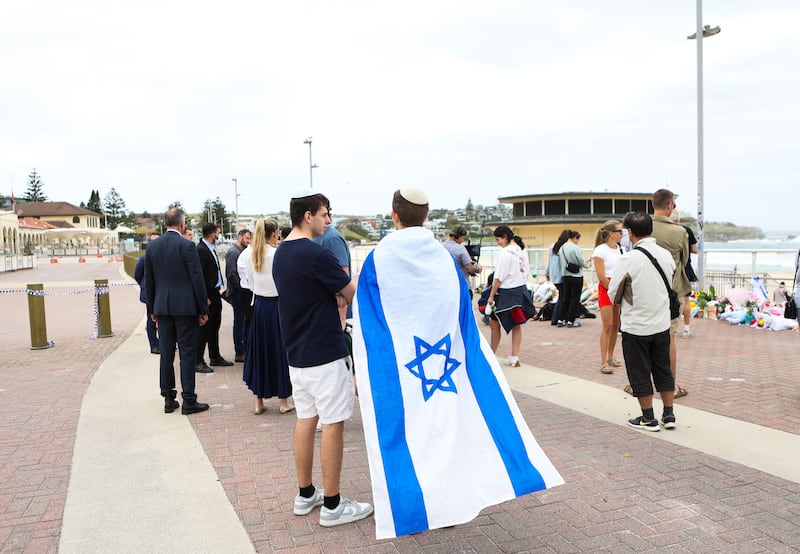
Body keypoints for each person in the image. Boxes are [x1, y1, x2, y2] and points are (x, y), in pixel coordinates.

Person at [351, 187, 563, 538]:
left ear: (395, 215)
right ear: (426, 214)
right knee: (447, 429)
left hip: (403, 369)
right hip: (445, 361)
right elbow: (460, 310)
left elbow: (368, 318)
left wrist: (366, 368)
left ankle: (414, 506)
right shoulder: (442, 258)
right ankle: (448, 504)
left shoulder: (379, 257)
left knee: (407, 434)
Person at [272, 190, 372, 528]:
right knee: (333, 423)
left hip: (297, 353)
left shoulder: (281, 252)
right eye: (325, 214)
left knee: (306, 419)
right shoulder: (316, 255)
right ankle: (332, 504)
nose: (329, 220)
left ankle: (305, 493)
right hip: (325, 353)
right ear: (308, 216)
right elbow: (350, 291)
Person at [608, 211, 676, 431]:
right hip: (662, 323)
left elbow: (612, 293)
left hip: (636, 326)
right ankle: (669, 414)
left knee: (639, 372)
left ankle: (648, 418)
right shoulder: (666, 255)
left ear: (630, 232)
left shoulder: (628, 259)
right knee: (663, 369)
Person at [144, 208, 210, 415]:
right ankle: (188, 399)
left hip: (162, 307)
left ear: (165, 224)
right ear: (182, 225)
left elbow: (150, 281)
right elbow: (197, 280)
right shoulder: (187, 246)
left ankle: (168, 397)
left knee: (166, 353)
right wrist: (203, 309)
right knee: (187, 354)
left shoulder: (152, 247)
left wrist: (152, 309)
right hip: (185, 308)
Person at [243, 218, 293, 415]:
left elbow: (250, 283)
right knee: (280, 351)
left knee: (260, 351)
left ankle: (259, 401)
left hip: (260, 306)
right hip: (278, 305)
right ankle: (283, 401)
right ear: (274, 233)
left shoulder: (251, 254)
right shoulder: (278, 254)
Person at [650, 188, 690, 399]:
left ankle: (640, 383)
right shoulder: (679, 232)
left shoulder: (642, 228)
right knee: (670, 336)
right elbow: (683, 261)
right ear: (669, 206)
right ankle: (671, 385)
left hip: (645, 291)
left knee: (643, 335)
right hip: (671, 290)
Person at [487, 225, 536, 367]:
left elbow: (499, 277)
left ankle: (491, 354)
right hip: (520, 290)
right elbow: (526, 273)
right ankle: (514, 356)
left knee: (494, 324)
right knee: (516, 324)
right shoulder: (522, 251)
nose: (497, 243)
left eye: (498, 239)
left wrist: (491, 296)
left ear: (505, 237)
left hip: (506, 292)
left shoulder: (505, 253)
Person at [196, 222, 233, 372]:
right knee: (204, 329)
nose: (219, 234)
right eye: (218, 232)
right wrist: (204, 296)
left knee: (214, 326)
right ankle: (198, 360)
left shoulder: (210, 248)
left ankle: (215, 356)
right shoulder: (201, 250)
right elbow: (200, 276)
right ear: (212, 234)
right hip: (208, 293)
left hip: (215, 292)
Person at [592, 220, 624, 373]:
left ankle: (611, 356)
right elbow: (601, 276)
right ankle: (603, 360)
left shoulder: (622, 250)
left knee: (616, 325)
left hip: (618, 287)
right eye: (619, 231)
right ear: (612, 234)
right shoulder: (600, 250)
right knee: (607, 325)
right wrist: (613, 290)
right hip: (607, 288)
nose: (622, 234)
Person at [670, 211, 698, 338]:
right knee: (686, 299)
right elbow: (695, 250)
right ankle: (686, 328)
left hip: (669, 267)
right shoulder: (686, 230)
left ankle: (668, 327)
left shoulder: (668, 231)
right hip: (685, 267)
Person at [225, 228, 252, 362]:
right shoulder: (233, 252)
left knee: (243, 322)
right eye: (247, 238)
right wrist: (241, 290)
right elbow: (231, 274)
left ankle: (243, 350)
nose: (248, 241)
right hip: (237, 293)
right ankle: (239, 352)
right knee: (239, 322)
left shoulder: (240, 252)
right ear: (240, 236)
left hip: (240, 292)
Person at [134, 232, 161, 354]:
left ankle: (163, 342)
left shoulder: (164, 257)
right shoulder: (143, 258)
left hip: (162, 293)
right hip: (150, 295)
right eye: (152, 241)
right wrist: (145, 287)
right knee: (151, 319)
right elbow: (137, 275)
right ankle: (154, 345)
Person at [558, 230, 589, 328]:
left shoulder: (561, 248)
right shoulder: (575, 248)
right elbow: (581, 261)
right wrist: (587, 265)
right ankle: (571, 320)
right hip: (576, 276)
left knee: (565, 298)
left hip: (565, 275)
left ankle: (561, 319)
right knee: (574, 299)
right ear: (575, 237)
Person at [442, 225, 482, 297]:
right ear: (458, 236)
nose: (463, 240)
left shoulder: (442, 246)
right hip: (462, 285)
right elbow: (469, 268)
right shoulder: (460, 248)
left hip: (447, 285)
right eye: (463, 238)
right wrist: (478, 269)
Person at [546, 230, 570, 327]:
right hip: (562, 275)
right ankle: (556, 318)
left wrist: (547, 272)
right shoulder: (564, 248)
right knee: (563, 298)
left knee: (561, 296)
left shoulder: (553, 246)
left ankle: (557, 317)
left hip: (553, 275)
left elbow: (549, 261)